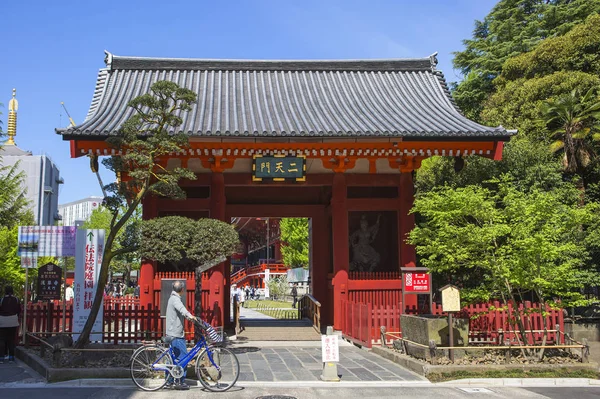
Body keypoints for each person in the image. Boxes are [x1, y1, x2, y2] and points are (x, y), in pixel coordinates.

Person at [164, 280, 197, 390]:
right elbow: (182, 310)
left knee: (173, 359)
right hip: (176, 334)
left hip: (171, 332)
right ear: (182, 289)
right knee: (184, 358)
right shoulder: (175, 299)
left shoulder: (172, 298)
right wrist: (191, 317)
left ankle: (169, 381)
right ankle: (180, 381)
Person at [0, 286, 21, 364]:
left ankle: (1, 357)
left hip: (2, 320)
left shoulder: (2, 300)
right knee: (11, 339)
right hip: (13, 320)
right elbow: (19, 310)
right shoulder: (16, 299)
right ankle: (11, 357)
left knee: (1, 339)